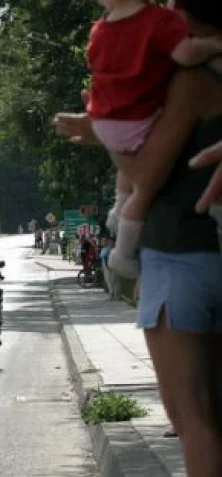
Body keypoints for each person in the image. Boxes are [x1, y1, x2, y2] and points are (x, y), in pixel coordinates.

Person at [56, 0, 222, 477]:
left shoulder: (190, 79)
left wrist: (97, 132)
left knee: (191, 415)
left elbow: (147, 169)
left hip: (182, 252)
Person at [85, 0, 222, 279]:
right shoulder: (160, 24)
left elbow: (94, 62)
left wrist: (99, 132)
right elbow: (185, 52)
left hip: (104, 116)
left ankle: (119, 221)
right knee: (142, 184)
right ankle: (122, 238)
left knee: (136, 181)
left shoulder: (101, 28)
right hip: (134, 121)